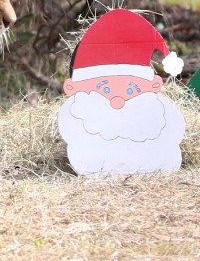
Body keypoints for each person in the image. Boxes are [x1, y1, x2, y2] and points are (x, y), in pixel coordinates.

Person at [58, 9, 185, 175]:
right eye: (105, 89)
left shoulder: (166, 119)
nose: (117, 100)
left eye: (132, 89)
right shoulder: (75, 122)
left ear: (155, 86)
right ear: (71, 88)